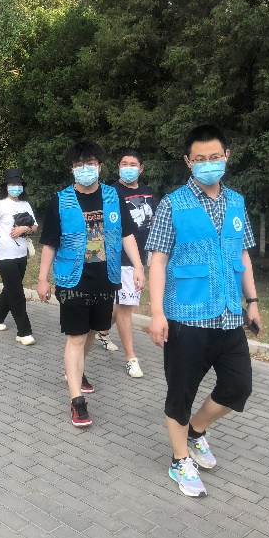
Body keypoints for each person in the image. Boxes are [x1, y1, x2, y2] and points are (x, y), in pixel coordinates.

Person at [146, 125, 262, 498]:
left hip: (229, 316)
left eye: (214, 157)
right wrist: (157, 313)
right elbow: (158, 261)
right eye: (200, 159)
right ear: (188, 162)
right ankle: (180, 459)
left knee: (238, 387)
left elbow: (242, 254)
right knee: (180, 392)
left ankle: (195, 431)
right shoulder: (172, 204)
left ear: (226, 156)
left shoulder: (237, 202)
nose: (208, 164)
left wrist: (253, 302)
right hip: (186, 318)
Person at [37, 140, 145, 428]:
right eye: (79, 165)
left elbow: (126, 234)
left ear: (100, 166)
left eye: (91, 164)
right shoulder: (60, 200)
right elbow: (50, 242)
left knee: (94, 330)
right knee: (75, 336)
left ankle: (76, 370)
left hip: (106, 277)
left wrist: (138, 266)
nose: (85, 169)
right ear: (72, 169)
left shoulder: (112, 196)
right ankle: (77, 401)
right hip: (72, 278)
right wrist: (42, 278)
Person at [109, 148, 155, 378]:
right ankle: (131, 358)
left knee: (120, 305)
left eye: (133, 164)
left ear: (141, 168)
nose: (128, 168)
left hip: (139, 258)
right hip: (119, 258)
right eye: (124, 164)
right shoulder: (111, 193)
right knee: (126, 307)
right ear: (118, 167)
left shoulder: (147, 193)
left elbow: (152, 223)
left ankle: (100, 330)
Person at [0, 168, 38, 345]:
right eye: (13, 184)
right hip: (5, 255)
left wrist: (24, 229)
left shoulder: (26, 205)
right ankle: (24, 332)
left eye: (19, 184)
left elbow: (35, 227)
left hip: (21, 255)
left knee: (11, 288)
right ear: (6, 186)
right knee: (17, 293)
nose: (16, 187)